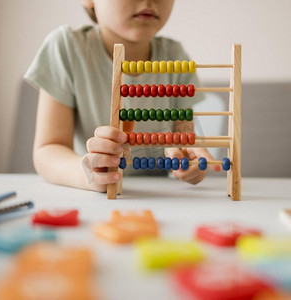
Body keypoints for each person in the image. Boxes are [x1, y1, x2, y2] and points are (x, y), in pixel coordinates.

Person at [24, 0, 221, 193]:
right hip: (91, 199)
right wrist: (89, 173)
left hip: (160, 199)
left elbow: (183, 139)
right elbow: (47, 151)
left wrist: (190, 160)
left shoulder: (176, 58)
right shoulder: (66, 48)